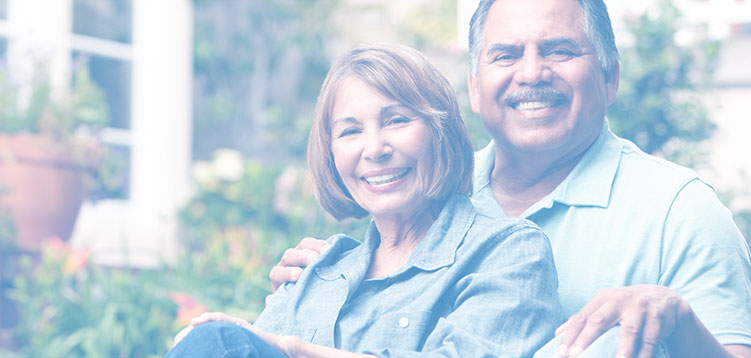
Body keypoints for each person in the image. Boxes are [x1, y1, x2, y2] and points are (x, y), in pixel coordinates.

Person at [270, 1, 751, 358]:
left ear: (610, 76)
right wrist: (320, 289)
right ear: (474, 86)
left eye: (559, 50)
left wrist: (676, 319)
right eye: (505, 55)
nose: (532, 73)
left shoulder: (679, 210)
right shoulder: (425, 191)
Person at [167, 43, 562, 357]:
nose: (374, 149)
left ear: (441, 131)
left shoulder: (509, 251)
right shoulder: (315, 272)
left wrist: (293, 349)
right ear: (332, 154)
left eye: (396, 120)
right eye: (350, 131)